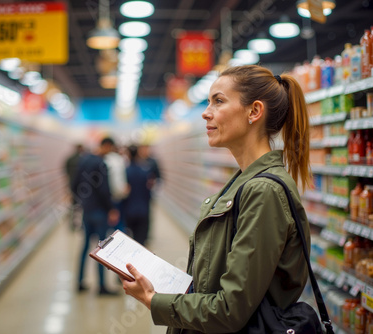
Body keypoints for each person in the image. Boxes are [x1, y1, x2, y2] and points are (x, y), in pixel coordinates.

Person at [120, 64, 313, 333]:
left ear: (254, 111)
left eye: (218, 101)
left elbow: (230, 310)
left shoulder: (263, 192)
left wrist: (154, 301)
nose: (205, 112)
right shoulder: (241, 183)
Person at [71, 137, 119, 295]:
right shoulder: (101, 164)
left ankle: (79, 282)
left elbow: (74, 184)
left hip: (87, 210)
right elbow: (104, 190)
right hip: (100, 211)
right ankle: (102, 286)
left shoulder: (83, 160)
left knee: (85, 246)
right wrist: (111, 208)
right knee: (102, 248)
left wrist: (83, 201)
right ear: (106, 146)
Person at [122, 145, 152, 246]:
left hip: (129, 210)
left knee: (130, 242)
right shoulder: (145, 171)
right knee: (141, 242)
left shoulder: (125, 171)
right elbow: (148, 192)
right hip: (143, 210)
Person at [102, 139, 129, 233]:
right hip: (118, 197)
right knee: (119, 225)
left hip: (110, 198)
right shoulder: (119, 159)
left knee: (111, 225)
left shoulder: (107, 160)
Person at [64, 144, 84, 230]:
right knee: (81, 205)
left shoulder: (69, 159)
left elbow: (66, 170)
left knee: (73, 204)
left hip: (72, 184)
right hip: (81, 186)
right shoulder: (82, 159)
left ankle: (72, 223)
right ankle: (80, 223)